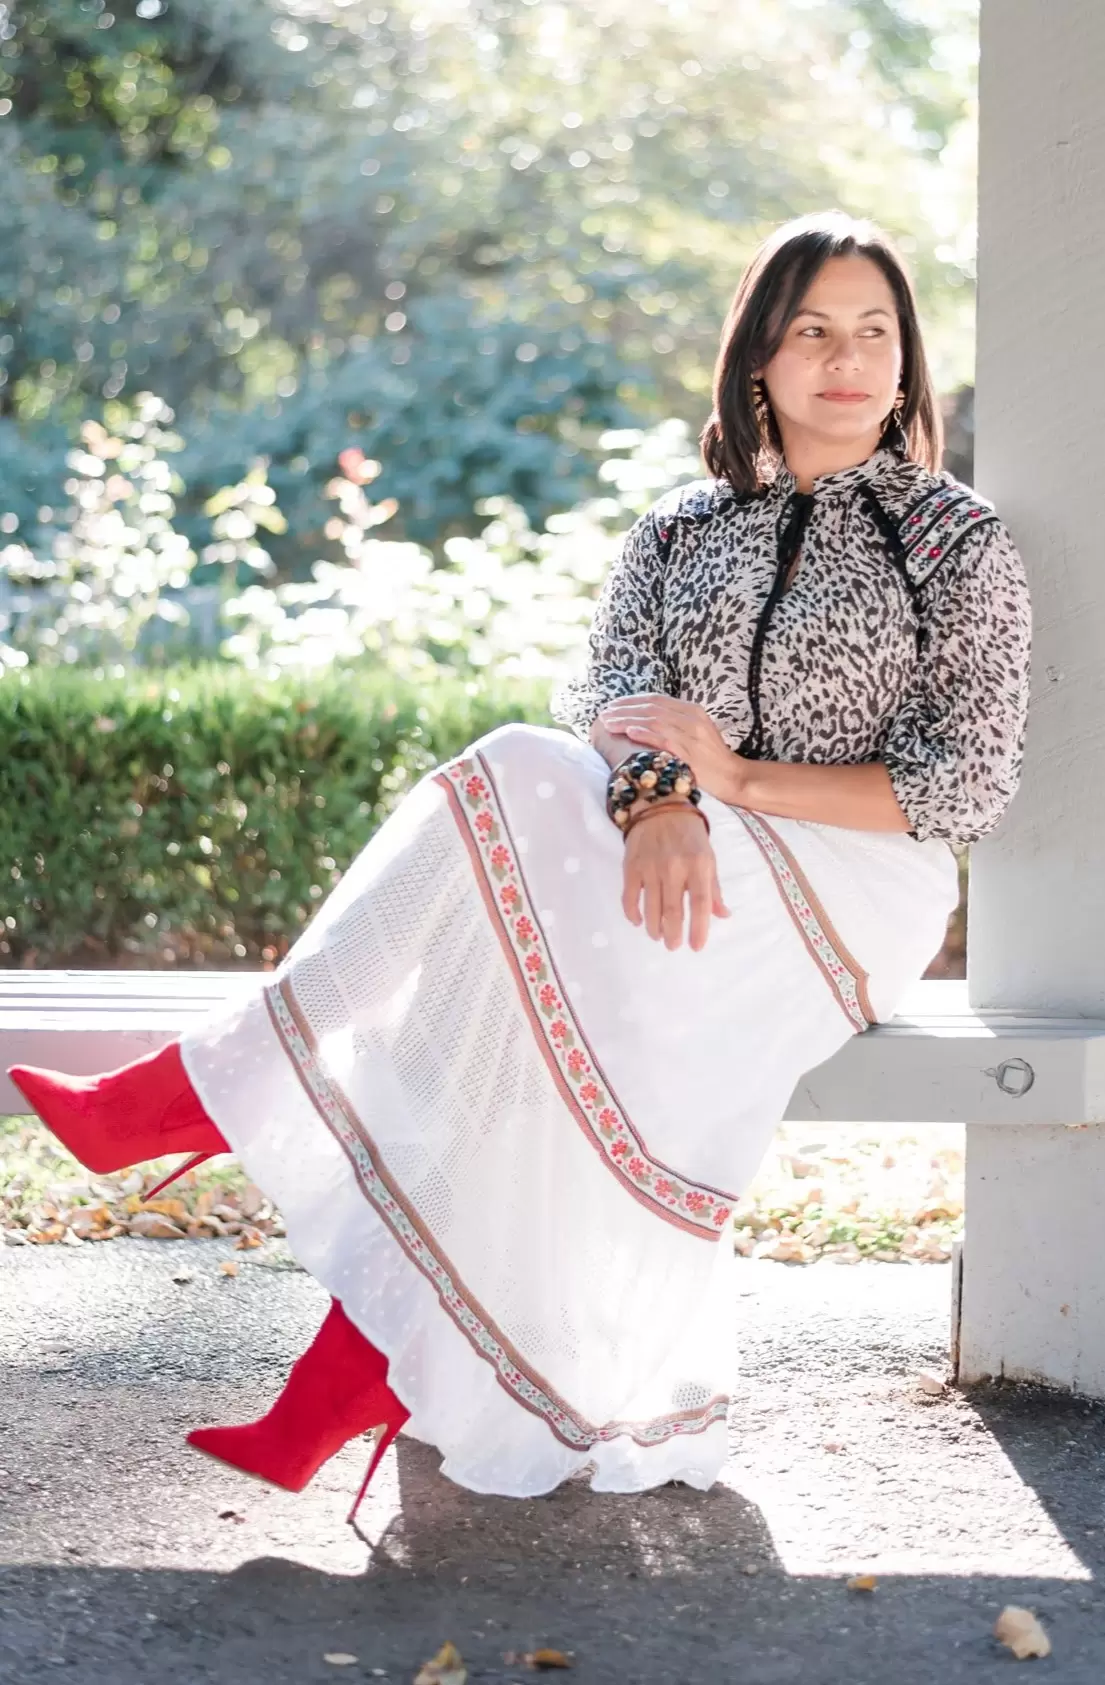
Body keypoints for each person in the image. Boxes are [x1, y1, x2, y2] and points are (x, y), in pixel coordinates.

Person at [9, 210, 1032, 1523]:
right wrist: (664, 794)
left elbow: (970, 781)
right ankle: (349, 1365)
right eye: (812, 331)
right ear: (758, 359)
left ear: (908, 360)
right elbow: (605, 684)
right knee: (497, 986)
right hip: (687, 846)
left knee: (500, 787)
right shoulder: (684, 527)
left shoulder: (956, 539)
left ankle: (218, 1107)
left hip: (852, 874)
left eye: (875, 332)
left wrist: (732, 782)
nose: (848, 360)